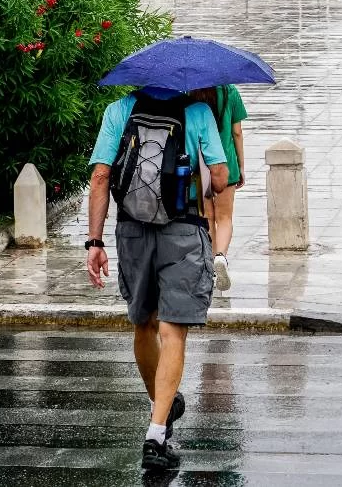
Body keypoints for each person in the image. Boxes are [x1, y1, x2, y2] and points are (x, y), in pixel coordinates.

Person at [85, 85, 228, 471]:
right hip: (184, 230)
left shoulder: (119, 110)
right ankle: (157, 432)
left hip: (131, 230)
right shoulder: (198, 113)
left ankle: (160, 403)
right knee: (172, 330)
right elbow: (220, 178)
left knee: (144, 324)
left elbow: (100, 177)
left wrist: (94, 242)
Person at [191, 85, 247, 292]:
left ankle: (210, 264)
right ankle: (221, 257)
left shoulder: (190, 93)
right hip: (226, 164)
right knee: (224, 218)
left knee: (207, 216)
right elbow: (237, 132)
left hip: (201, 164)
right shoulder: (230, 92)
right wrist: (241, 166)